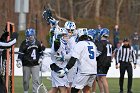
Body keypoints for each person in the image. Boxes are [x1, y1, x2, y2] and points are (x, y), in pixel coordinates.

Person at [16, 28, 45, 93]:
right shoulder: (24, 43)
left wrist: (40, 58)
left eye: (31, 35)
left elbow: (41, 53)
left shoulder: (37, 43)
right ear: (26, 36)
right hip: (26, 64)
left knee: (36, 80)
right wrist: (19, 60)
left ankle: (35, 92)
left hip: (35, 64)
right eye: (28, 36)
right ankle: (25, 91)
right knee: (25, 80)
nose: (30, 37)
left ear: (34, 35)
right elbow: (20, 53)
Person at [49, 27, 70, 93]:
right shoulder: (58, 43)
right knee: (63, 90)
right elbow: (56, 44)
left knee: (54, 90)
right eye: (64, 35)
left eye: (66, 35)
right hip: (59, 69)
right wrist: (57, 38)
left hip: (59, 68)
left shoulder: (64, 44)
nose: (66, 37)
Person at [96, 28, 113, 93]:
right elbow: (113, 52)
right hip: (107, 62)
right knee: (99, 78)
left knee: (103, 78)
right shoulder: (109, 43)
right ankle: (102, 92)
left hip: (102, 62)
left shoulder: (101, 42)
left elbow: (98, 53)